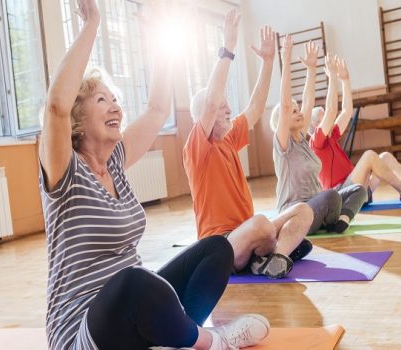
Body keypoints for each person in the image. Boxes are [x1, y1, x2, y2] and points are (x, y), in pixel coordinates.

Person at [39, 1, 269, 349]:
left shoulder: (115, 161)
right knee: (134, 282)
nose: (116, 105)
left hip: (130, 320)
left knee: (217, 249)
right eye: (102, 100)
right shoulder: (64, 171)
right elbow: (55, 105)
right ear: (78, 118)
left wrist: (160, 37)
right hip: (82, 333)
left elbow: (158, 108)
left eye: (116, 99)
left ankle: (181, 339)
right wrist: (92, 24)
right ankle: (212, 342)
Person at [184, 11, 314, 281]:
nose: (229, 109)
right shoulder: (198, 148)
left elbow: (255, 108)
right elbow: (210, 101)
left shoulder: (229, 138)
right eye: (222, 107)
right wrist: (228, 49)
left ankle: (274, 257)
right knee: (262, 225)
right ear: (205, 117)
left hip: (249, 232)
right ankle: (268, 254)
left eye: (226, 103)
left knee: (303, 211)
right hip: (219, 246)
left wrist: (268, 62)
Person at [308, 55, 401, 204]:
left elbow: (346, 111)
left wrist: (345, 80)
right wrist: (332, 78)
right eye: (324, 118)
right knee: (369, 156)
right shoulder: (316, 143)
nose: (330, 120)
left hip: (358, 189)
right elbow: (332, 110)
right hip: (342, 195)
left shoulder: (331, 136)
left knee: (385, 156)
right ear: (316, 126)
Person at [270, 36, 367, 235]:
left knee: (359, 190)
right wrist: (286, 60)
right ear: (282, 121)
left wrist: (312, 70)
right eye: (292, 111)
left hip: (318, 205)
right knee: (331, 196)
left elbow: (308, 100)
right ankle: (330, 219)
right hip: (295, 213)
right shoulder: (283, 145)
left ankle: (340, 221)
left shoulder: (303, 140)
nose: (298, 113)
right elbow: (286, 102)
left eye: (297, 111)